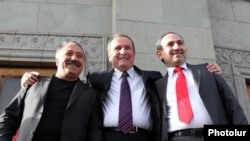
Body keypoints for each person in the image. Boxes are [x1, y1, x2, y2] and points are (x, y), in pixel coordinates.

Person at [20, 34, 222, 141]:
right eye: (117, 48)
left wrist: (206, 70)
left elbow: (179, 78)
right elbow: (69, 87)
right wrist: (32, 78)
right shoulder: (96, 79)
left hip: (143, 137)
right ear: (109, 56)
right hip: (109, 136)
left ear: (134, 54)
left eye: (127, 48)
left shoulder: (153, 78)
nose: (123, 52)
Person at [155, 32, 249, 141]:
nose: (177, 47)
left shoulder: (208, 71)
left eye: (180, 43)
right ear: (160, 54)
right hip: (177, 138)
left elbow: (233, 106)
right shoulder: (157, 85)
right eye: (170, 44)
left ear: (185, 48)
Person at [0, 41, 102, 141]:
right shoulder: (34, 84)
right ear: (57, 61)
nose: (74, 58)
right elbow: (8, 118)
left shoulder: (91, 94)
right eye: (69, 54)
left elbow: (94, 131)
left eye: (79, 56)